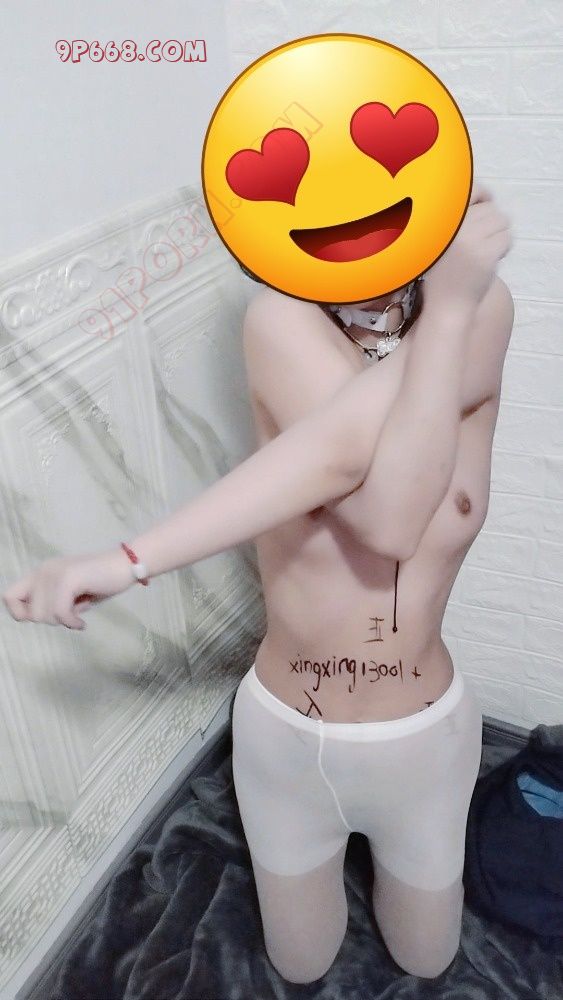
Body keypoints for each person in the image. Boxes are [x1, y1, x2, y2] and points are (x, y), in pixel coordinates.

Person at [2, 181, 514, 983]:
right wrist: (125, 562)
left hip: (422, 743)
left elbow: (390, 518)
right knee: (298, 965)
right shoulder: (282, 321)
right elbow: (346, 471)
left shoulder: (481, 309)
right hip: (288, 741)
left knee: (429, 956)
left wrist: (449, 309)